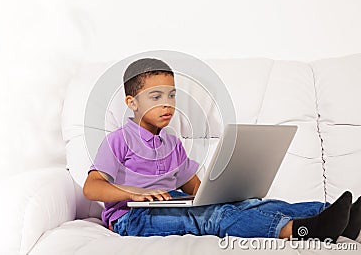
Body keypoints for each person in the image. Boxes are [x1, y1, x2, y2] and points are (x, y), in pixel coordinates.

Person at [83, 58, 361, 242]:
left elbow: (192, 185)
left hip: (170, 203)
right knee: (211, 217)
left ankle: (335, 215)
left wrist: (218, 193)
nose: (167, 104)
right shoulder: (118, 140)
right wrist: (135, 193)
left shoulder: (171, 142)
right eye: (156, 97)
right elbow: (92, 187)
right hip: (132, 218)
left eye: (171, 95)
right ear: (132, 102)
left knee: (246, 205)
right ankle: (297, 230)